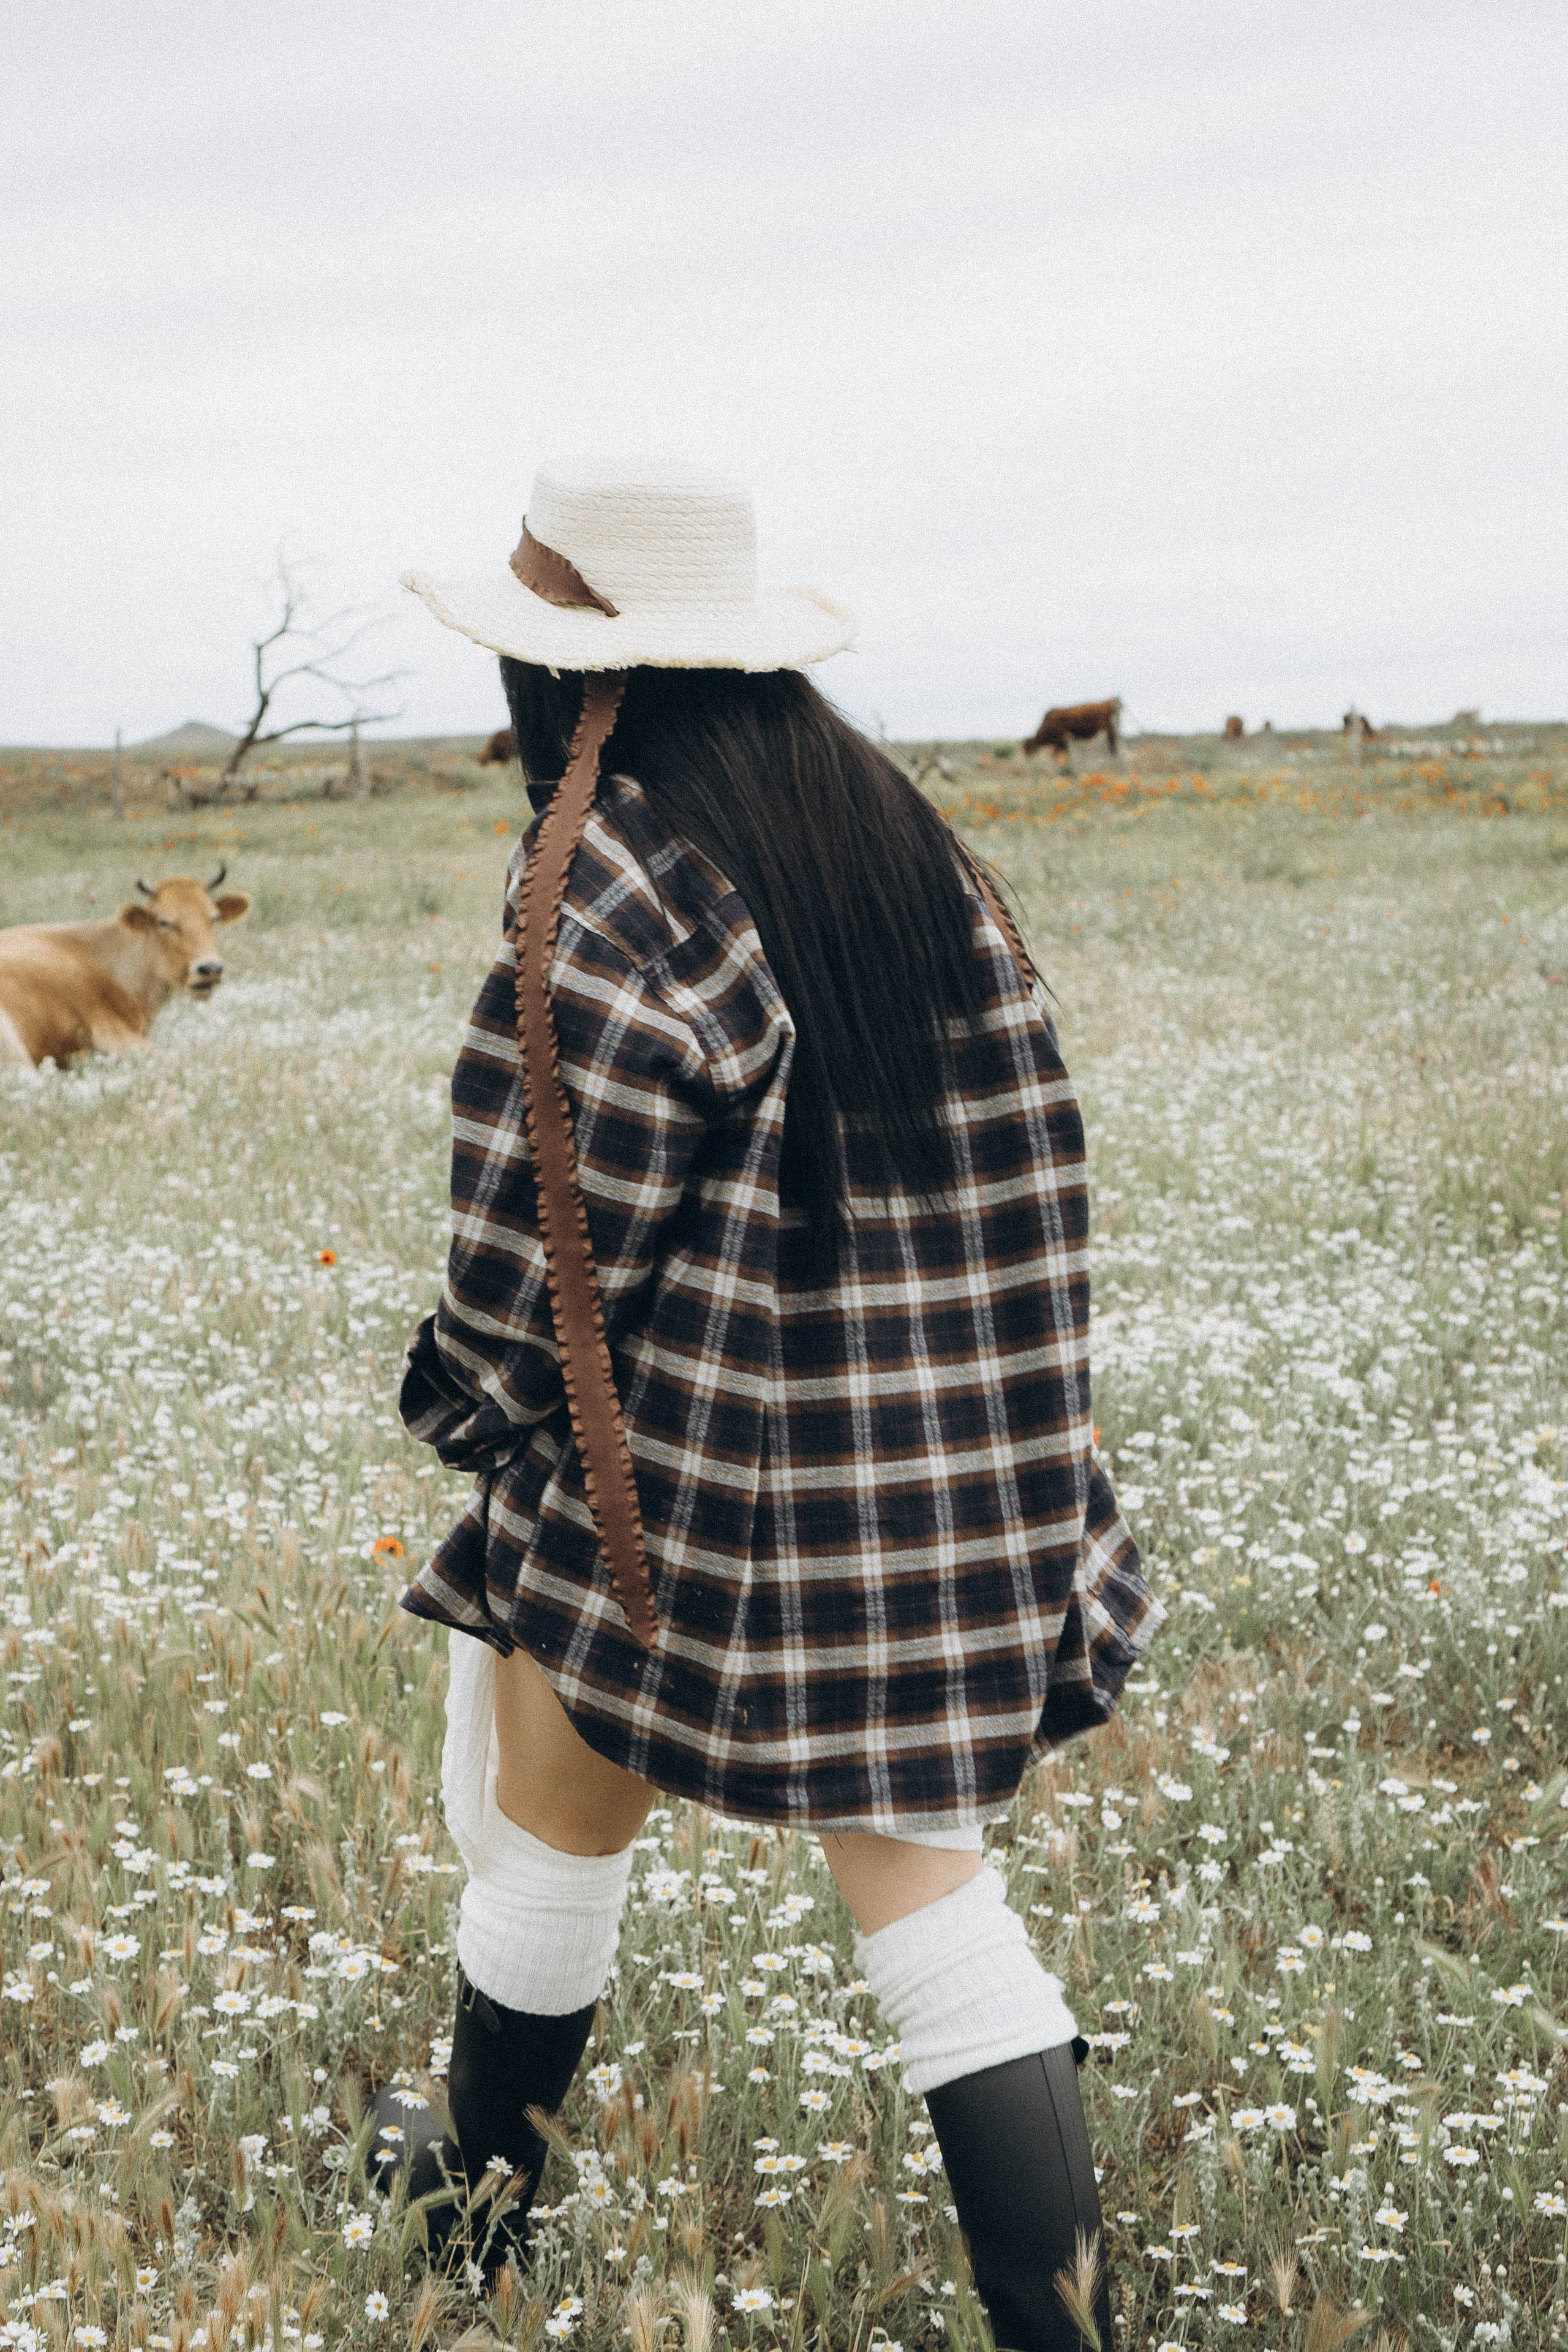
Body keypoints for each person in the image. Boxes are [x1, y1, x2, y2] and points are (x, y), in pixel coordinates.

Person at [372, 458, 1163, 2350]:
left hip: (707, 1514)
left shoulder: (613, 879)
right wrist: (1023, 1472)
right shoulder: (895, 839)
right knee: (933, 1905)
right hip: (959, 1489)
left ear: (571, 676)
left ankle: (472, 2214)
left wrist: (466, 1416)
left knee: (554, 1798)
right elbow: (1034, 1184)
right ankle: (1058, 2327)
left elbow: (538, 1251)